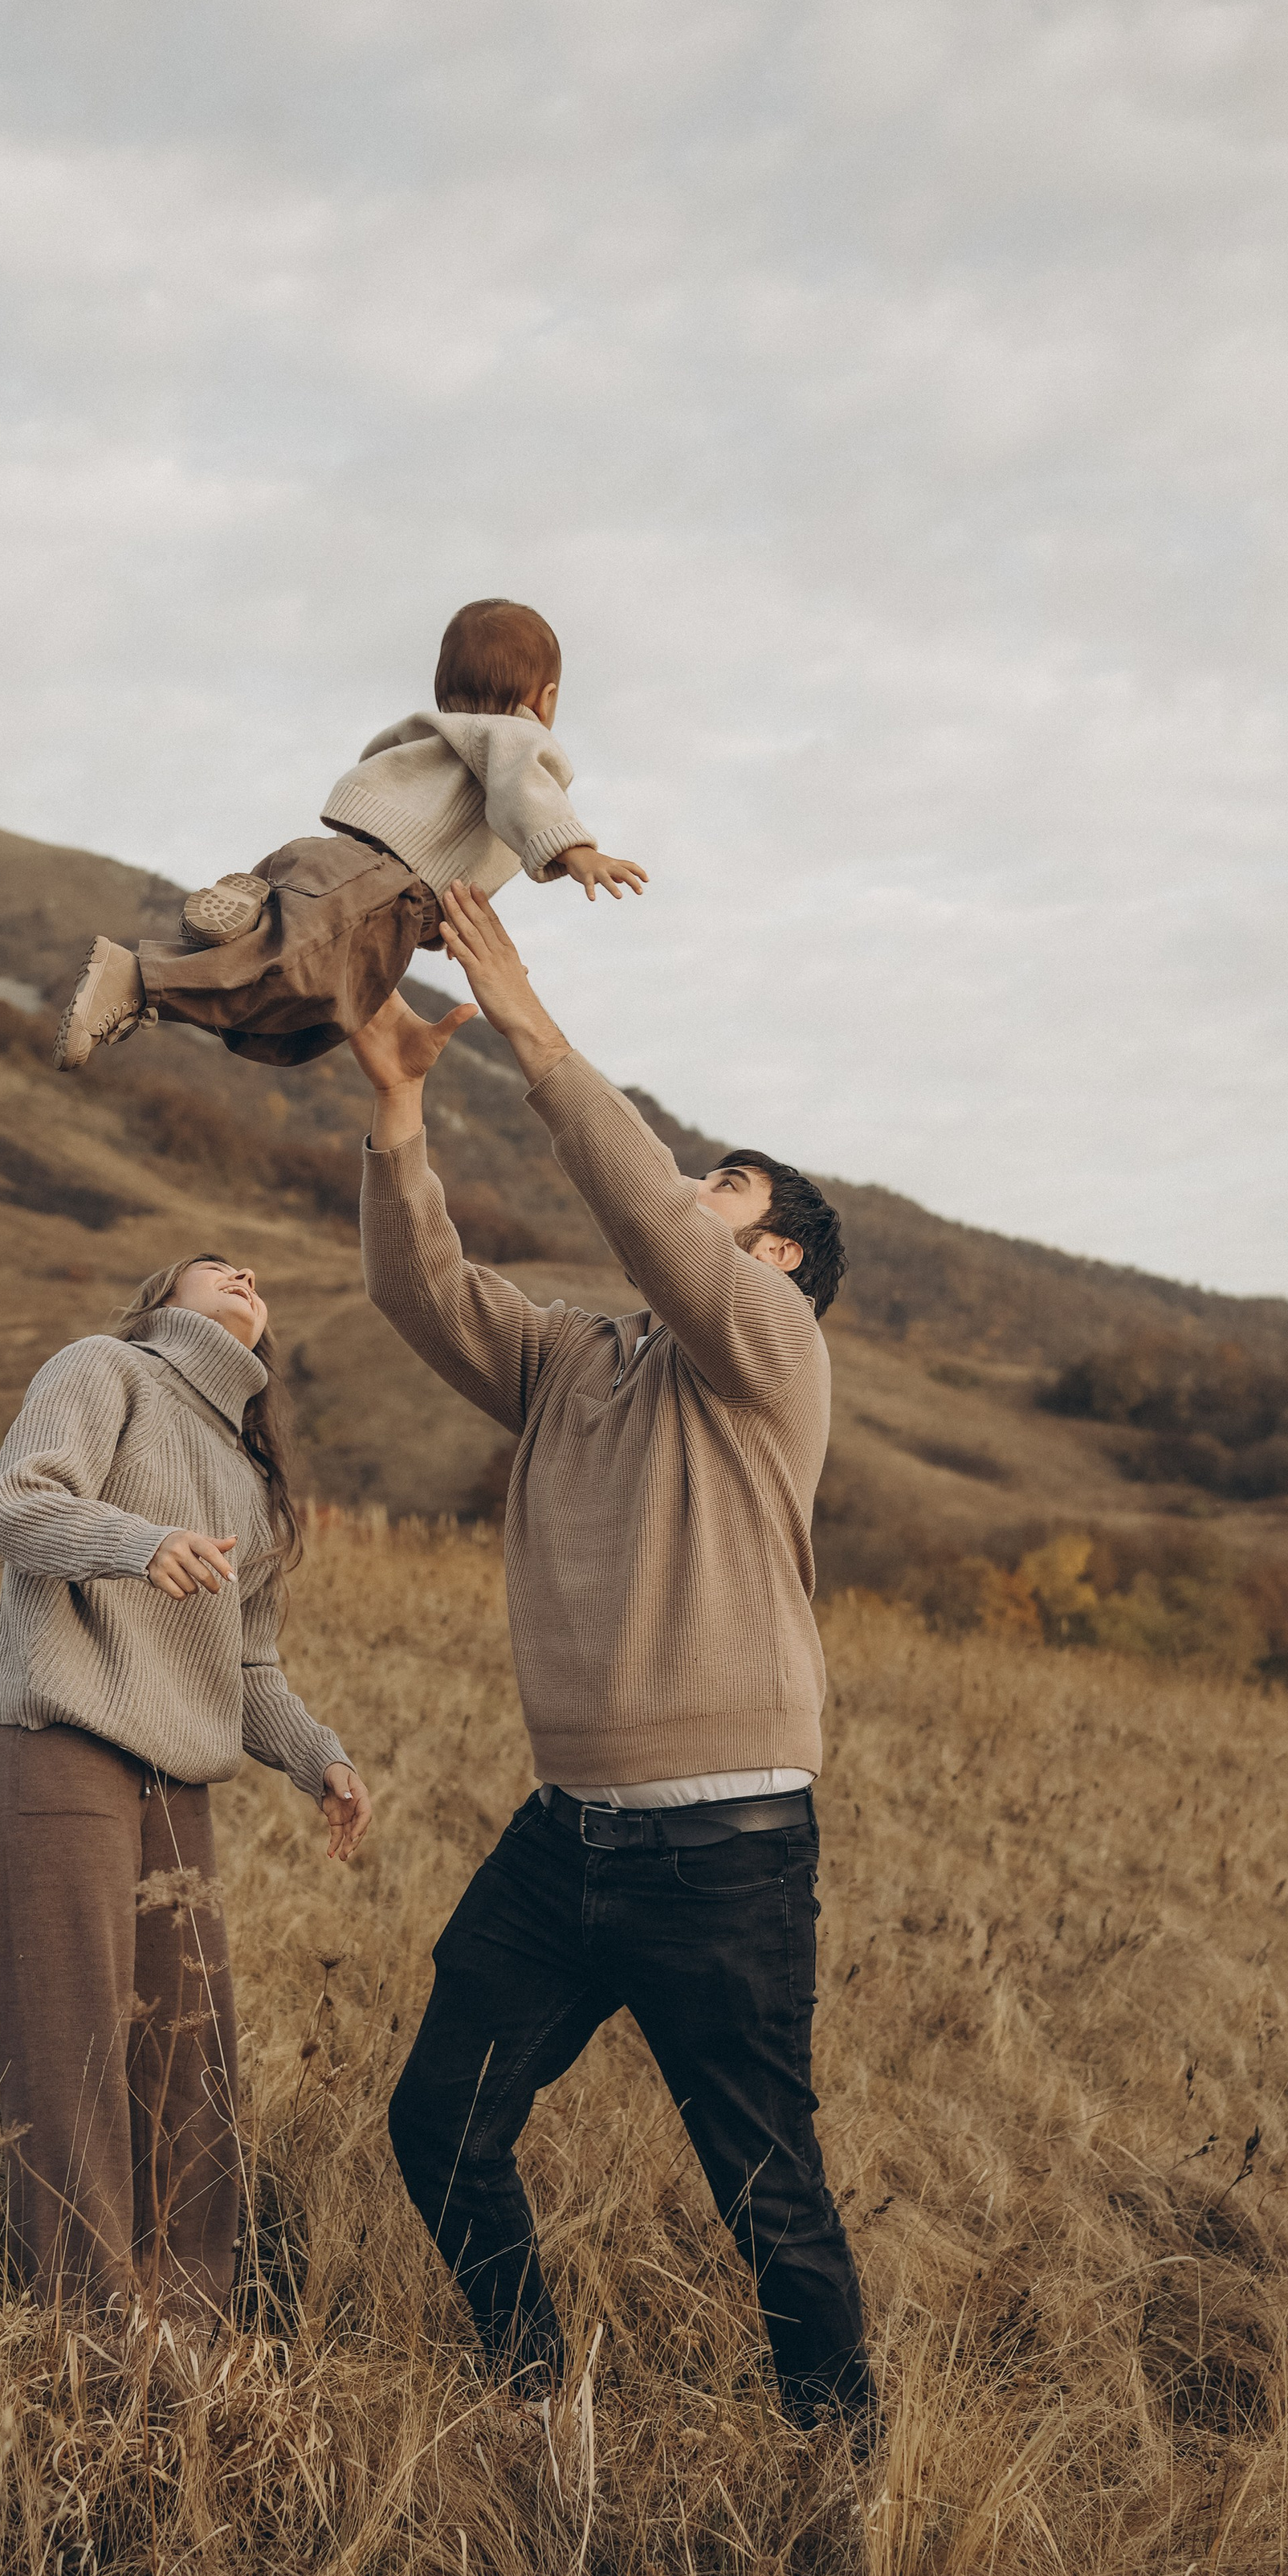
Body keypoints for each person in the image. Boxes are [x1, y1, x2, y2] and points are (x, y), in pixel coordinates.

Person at [353, 880, 873, 2435]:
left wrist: (525, 1020)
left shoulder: (775, 1353)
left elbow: (644, 1214)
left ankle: (842, 2472)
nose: (690, 1185)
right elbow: (421, 1291)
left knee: (764, 2187)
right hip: (562, 1833)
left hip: (722, 1848)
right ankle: (529, 2398)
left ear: (773, 1251)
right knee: (439, 2117)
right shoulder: (576, 1357)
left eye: (724, 1180)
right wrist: (394, 1123)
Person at [0, 1251, 372, 2327]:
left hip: (174, 1787)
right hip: (61, 1749)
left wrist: (316, 1753)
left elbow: (248, 1670)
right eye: (213, 1265)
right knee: (75, 2055)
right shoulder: (106, 1367)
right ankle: (89, 2334)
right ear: (159, 1301)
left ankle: (190, 2334)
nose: (244, 1272)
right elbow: (20, 1509)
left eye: (254, 1273)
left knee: (190, 2061)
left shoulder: (245, 1467)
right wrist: (141, 1545)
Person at [51, 598, 647, 1072]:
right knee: (297, 976)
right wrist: (577, 851)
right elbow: (528, 793)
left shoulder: (427, 735)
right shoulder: (517, 736)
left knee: (309, 1022)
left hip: (339, 866)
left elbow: (376, 776)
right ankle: (135, 976)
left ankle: (253, 916)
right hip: (382, 883)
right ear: (544, 700)